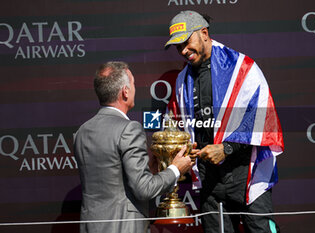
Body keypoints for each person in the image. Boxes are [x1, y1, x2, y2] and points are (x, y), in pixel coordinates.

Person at [165, 11, 284, 233]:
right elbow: (176, 124)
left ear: (204, 33)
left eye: (186, 42)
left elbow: (262, 119)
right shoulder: (182, 80)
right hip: (210, 179)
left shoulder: (242, 67)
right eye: (177, 46)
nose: (183, 51)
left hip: (245, 173)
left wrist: (226, 148)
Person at [74, 61, 193, 233]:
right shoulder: (129, 129)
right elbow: (143, 189)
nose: (135, 89)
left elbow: (112, 177)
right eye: (134, 84)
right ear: (125, 91)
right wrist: (176, 169)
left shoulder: (82, 132)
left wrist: (150, 168)